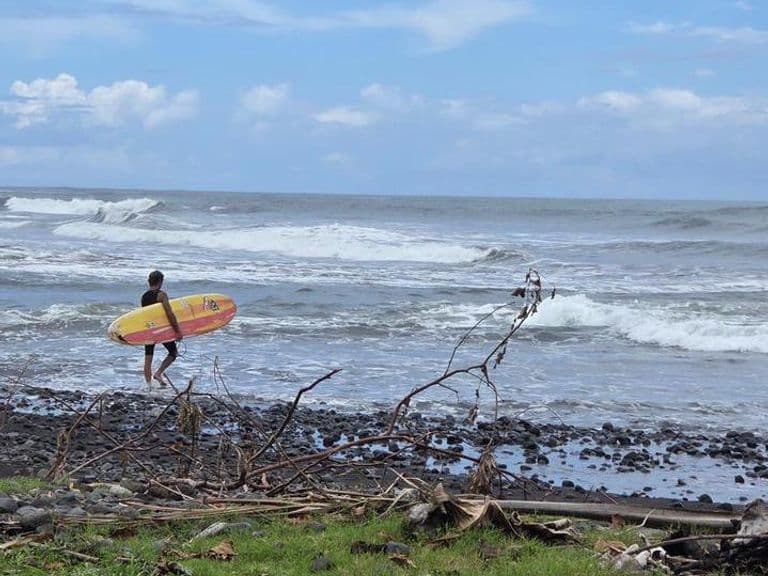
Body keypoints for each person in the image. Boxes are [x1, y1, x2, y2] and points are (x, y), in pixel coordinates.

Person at [141, 270, 182, 386]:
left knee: (148, 359)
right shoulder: (161, 295)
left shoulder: (144, 296)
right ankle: (158, 373)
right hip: (160, 329)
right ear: (160, 281)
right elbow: (169, 313)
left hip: (148, 329)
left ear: (149, 281)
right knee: (173, 353)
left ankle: (149, 387)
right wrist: (177, 331)